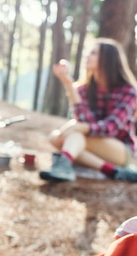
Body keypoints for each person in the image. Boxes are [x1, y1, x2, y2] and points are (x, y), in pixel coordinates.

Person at [40, 38, 137, 182]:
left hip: (120, 149)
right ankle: (111, 170)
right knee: (57, 137)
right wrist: (67, 82)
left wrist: (80, 127)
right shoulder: (84, 89)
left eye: (93, 53)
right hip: (90, 142)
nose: (87, 56)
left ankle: (65, 162)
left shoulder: (128, 91)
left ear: (107, 60)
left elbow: (112, 127)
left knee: (64, 136)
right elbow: (84, 119)